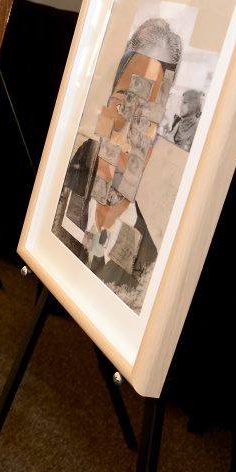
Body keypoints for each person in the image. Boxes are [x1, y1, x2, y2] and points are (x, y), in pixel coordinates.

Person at [53, 17, 183, 312]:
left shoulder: (146, 264)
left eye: (146, 119)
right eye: (124, 103)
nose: (126, 134)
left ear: (156, 142)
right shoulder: (61, 190)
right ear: (105, 106)